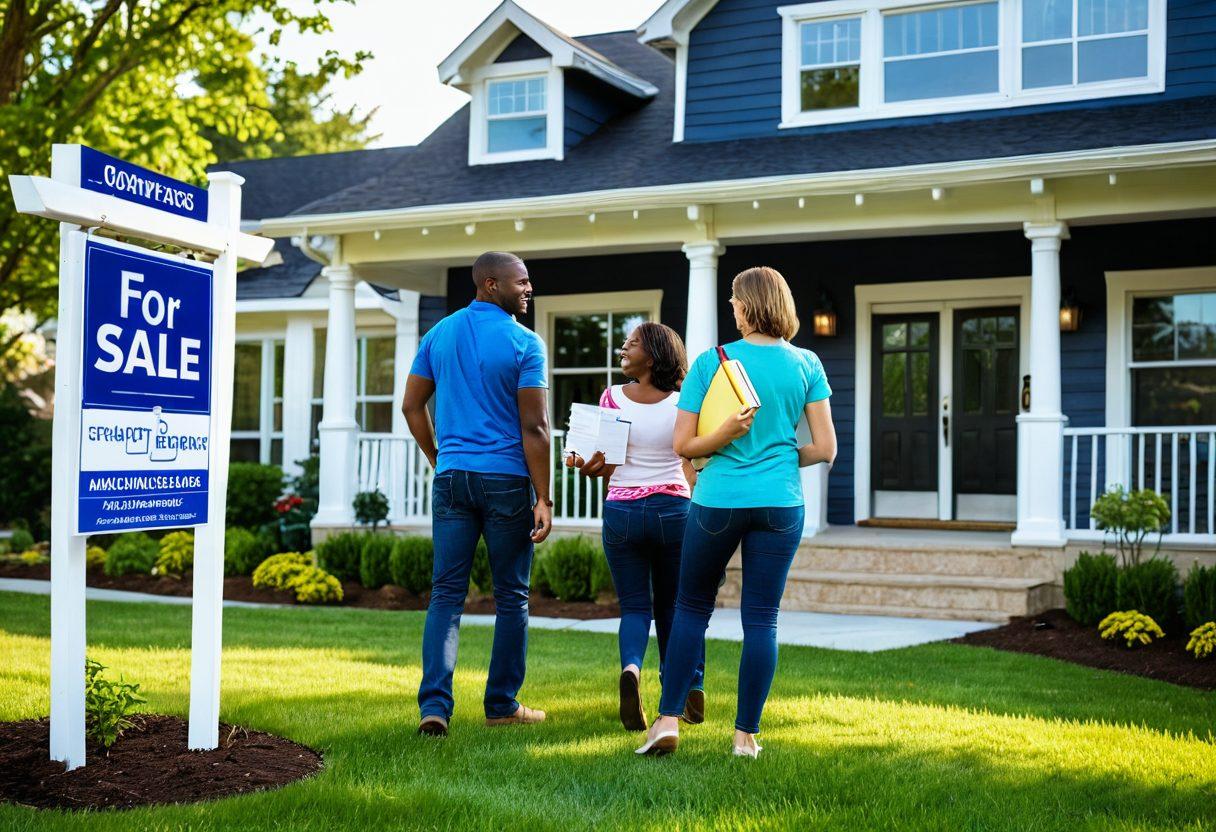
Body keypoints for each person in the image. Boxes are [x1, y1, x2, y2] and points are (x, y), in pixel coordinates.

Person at [635, 266, 837, 759]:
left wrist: (723, 442)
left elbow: (683, 444)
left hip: (719, 500)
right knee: (763, 619)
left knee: (690, 607)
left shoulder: (712, 362)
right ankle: (745, 735)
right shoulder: (807, 363)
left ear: (747, 306)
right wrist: (783, 456)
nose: (731, 307)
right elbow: (826, 448)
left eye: (733, 300)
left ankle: (666, 721)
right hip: (782, 504)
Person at [401, 251, 553, 738]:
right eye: (521, 282)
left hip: (452, 479)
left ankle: (435, 707)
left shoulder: (438, 333)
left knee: (445, 594)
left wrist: (438, 457)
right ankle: (502, 704)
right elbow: (536, 427)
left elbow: (410, 406)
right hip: (505, 482)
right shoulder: (525, 343)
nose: (528, 289)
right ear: (491, 284)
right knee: (512, 596)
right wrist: (544, 498)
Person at [567, 322, 706, 732]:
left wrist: (586, 466)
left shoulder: (611, 398)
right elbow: (689, 460)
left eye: (633, 343)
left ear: (655, 355)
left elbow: (605, 464)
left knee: (634, 607)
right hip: (673, 511)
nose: (623, 348)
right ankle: (687, 685)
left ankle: (631, 668)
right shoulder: (684, 402)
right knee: (675, 607)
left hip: (623, 512)